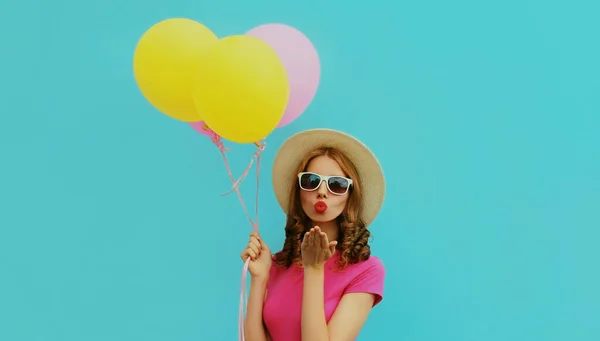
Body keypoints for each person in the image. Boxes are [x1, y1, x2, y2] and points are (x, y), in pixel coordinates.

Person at [240, 128, 386, 341]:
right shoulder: (278, 264)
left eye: (337, 184)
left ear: (350, 196)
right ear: (299, 192)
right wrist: (260, 279)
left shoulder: (366, 270)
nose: (322, 191)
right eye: (311, 181)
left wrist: (315, 269)